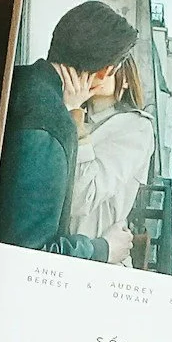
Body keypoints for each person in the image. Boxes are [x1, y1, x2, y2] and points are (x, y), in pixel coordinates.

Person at [0, 0, 138, 259]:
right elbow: (28, 253)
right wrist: (101, 249)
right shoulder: (54, 123)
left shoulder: (14, 78)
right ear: (106, 71)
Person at [68, 59, 153, 266]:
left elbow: (83, 197)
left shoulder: (136, 126)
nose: (98, 71)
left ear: (125, 80)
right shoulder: (68, 113)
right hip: (65, 249)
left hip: (99, 257)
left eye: (110, 66)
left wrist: (74, 116)